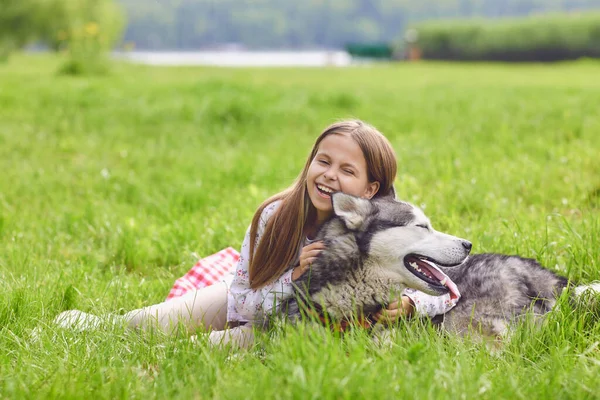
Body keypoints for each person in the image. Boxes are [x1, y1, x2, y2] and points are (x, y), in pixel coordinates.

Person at [55, 119, 459, 348]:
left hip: (291, 330)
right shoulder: (276, 216)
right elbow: (245, 302)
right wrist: (294, 279)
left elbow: (447, 290)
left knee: (197, 350)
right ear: (310, 162)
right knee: (150, 324)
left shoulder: (391, 227)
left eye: (348, 170)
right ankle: (88, 324)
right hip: (255, 301)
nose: (330, 175)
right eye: (323, 160)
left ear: (371, 190)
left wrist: (408, 306)